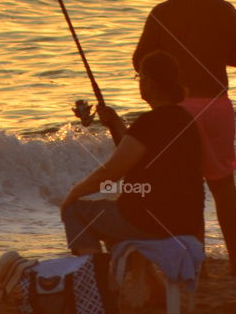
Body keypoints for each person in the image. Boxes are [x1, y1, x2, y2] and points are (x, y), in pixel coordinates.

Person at [132, 0, 236, 276]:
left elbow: (140, 59)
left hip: (178, 111)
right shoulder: (225, 9)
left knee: (187, 188)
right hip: (217, 105)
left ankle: (199, 266)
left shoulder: (162, 13)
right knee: (224, 186)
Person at [60, 50, 203, 253]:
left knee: (74, 211)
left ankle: (93, 277)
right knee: (113, 210)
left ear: (151, 82)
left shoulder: (149, 123)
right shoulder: (186, 120)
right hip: (187, 222)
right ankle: (120, 274)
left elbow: (110, 173)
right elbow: (140, 155)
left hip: (148, 222)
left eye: (140, 76)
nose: (139, 82)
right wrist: (116, 123)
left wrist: (72, 194)